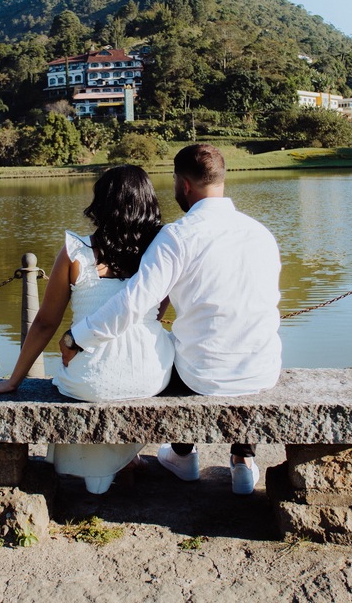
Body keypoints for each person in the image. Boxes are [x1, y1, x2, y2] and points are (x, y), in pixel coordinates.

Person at [62, 144, 281, 495]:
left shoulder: (177, 237)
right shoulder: (261, 234)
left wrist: (79, 337)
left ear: (183, 184)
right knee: (232, 339)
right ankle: (243, 461)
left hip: (204, 376)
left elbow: (134, 303)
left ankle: (183, 454)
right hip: (263, 368)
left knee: (172, 353)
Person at [0, 164, 174, 494]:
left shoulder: (76, 251)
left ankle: (111, 466)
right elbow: (159, 308)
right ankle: (124, 461)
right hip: (152, 375)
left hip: (88, 380)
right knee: (134, 374)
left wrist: (13, 381)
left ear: (101, 204)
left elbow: (46, 322)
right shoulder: (161, 252)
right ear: (148, 203)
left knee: (95, 383)